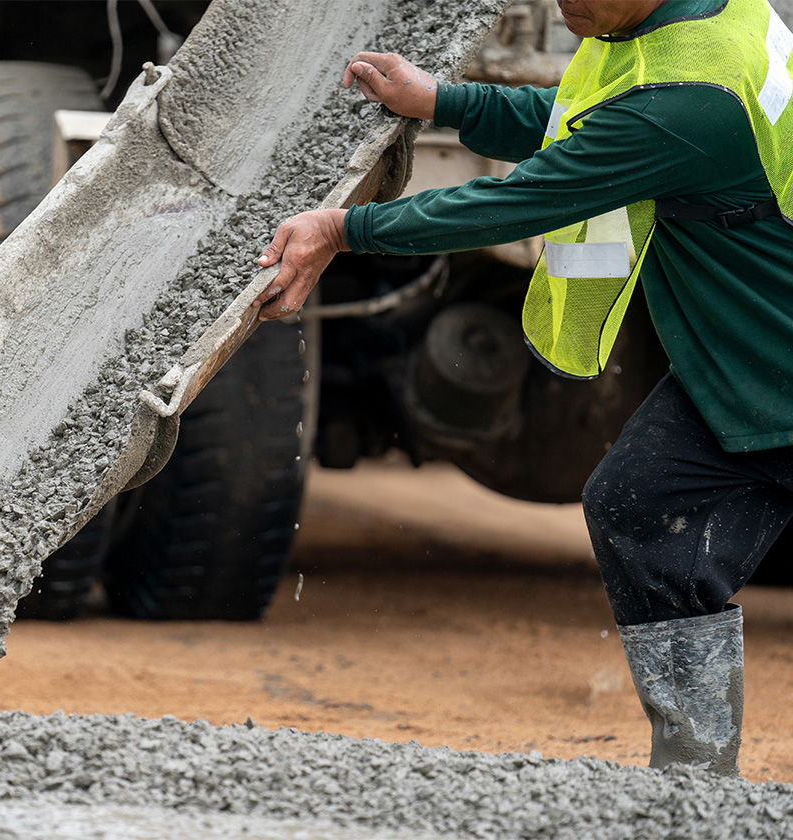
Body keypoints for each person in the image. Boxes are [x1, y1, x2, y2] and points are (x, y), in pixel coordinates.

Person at [253, 0, 793, 776]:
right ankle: (696, 784)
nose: (565, 9)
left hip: (773, 361)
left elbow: (525, 197)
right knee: (638, 502)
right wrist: (446, 101)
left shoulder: (691, 102)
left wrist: (344, 231)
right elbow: (586, 117)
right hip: (750, 366)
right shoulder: (700, 25)